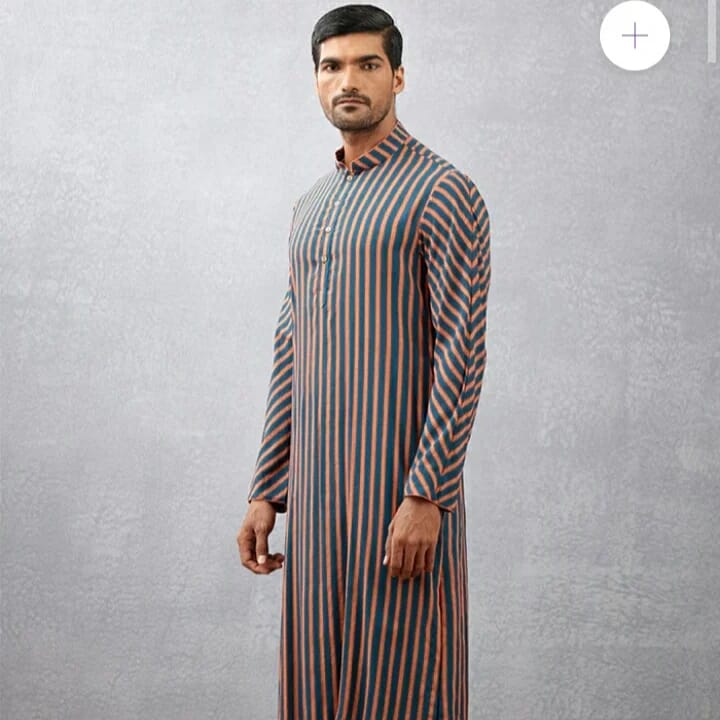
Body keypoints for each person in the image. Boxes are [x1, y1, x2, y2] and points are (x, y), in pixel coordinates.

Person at [237, 4, 491, 718]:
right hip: (316, 499)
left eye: (367, 64)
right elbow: (291, 348)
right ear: (317, 80)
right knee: (313, 687)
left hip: (397, 493)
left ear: (398, 77)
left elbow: (462, 347)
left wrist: (428, 494)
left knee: (405, 686)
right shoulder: (310, 207)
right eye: (332, 66)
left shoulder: (442, 191)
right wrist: (267, 489)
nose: (348, 80)